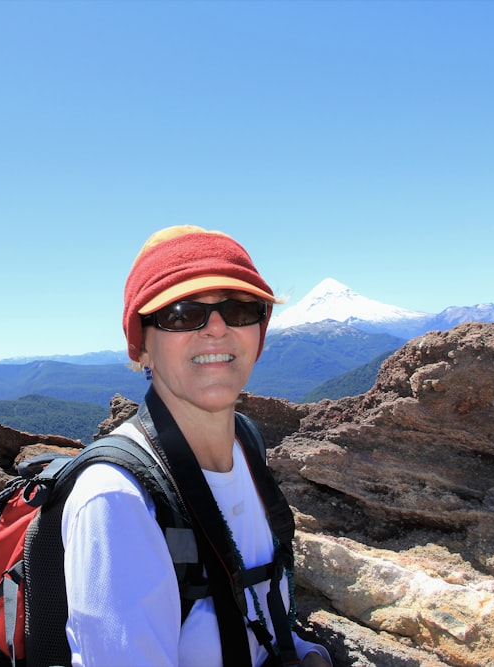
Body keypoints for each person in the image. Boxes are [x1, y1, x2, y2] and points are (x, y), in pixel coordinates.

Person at [61, 226, 332, 667]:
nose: (218, 328)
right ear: (142, 346)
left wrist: (306, 654)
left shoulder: (247, 444)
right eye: (183, 314)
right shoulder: (118, 500)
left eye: (241, 308)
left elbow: (258, 608)